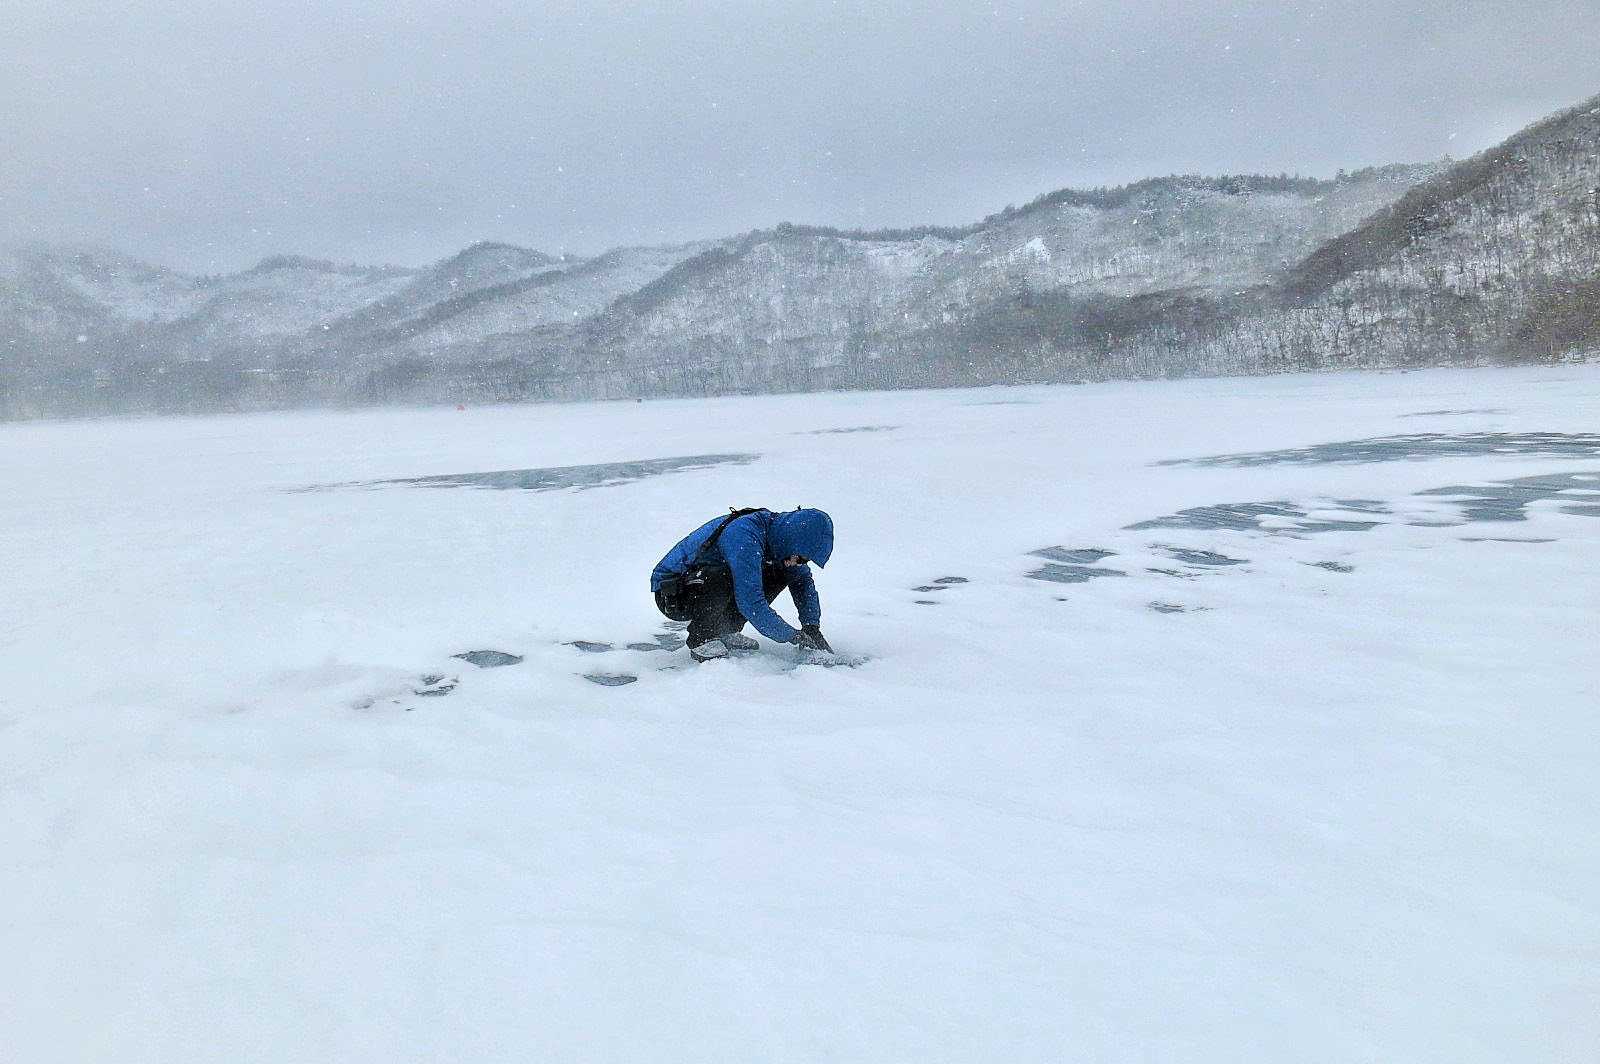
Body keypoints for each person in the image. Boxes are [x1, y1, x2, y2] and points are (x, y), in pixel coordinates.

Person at [651, 507, 835, 662]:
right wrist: (792, 636)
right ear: (793, 541)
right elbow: (750, 602)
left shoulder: (779, 542)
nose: (799, 563)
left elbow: (803, 583)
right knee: (725, 573)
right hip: (673, 593)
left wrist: (811, 627)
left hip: (700, 585)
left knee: (780, 572)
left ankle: (725, 629)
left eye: (804, 561)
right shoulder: (744, 534)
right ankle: (702, 638)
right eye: (801, 558)